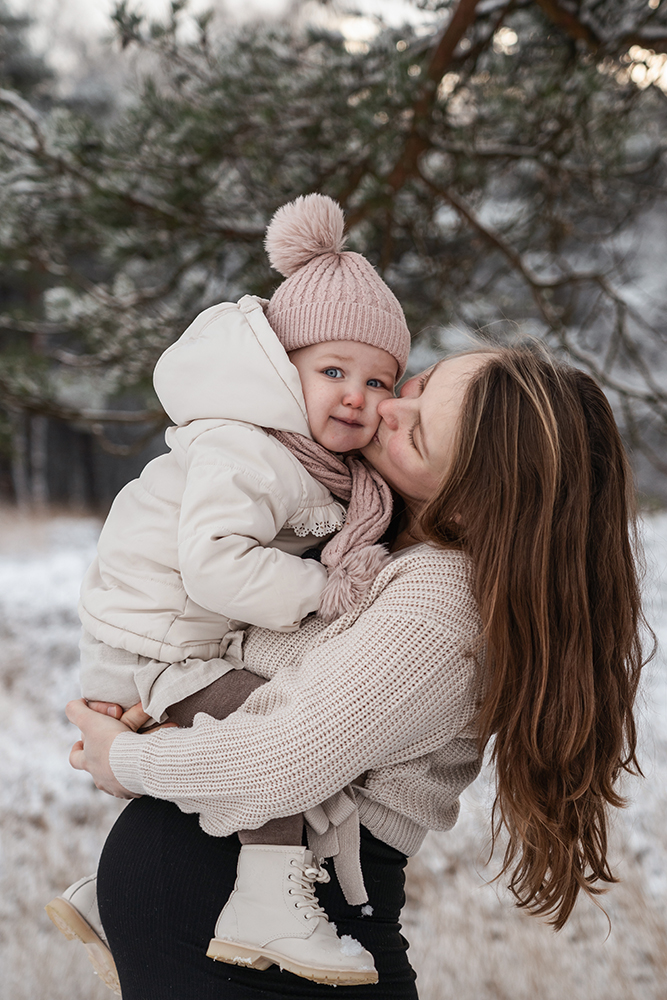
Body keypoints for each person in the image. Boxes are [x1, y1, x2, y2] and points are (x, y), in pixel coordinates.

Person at [66, 344, 648, 1000]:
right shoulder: (366, 541)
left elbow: (277, 765)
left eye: (417, 432)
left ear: (466, 508)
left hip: (285, 965)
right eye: (419, 384)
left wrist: (128, 763)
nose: (387, 408)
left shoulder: (441, 601)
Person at [46, 192, 415, 989]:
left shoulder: (301, 457)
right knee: (259, 723)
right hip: (159, 640)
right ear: (281, 372)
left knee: (242, 729)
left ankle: (117, 895)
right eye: (333, 371)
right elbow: (215, 565)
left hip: (171, 631)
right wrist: (323, 587)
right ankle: (267, 907)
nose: (356, 394)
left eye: (379, 380)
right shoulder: (247, 453)